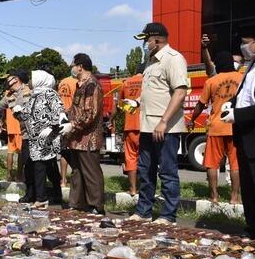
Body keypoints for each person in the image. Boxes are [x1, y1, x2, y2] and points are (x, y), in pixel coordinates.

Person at [129, 23, 188, 224]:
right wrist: (135, 102)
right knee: (146, 171)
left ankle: (167, 215)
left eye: (147, 40)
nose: (145, 44)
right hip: (147, 126)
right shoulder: (150, 62)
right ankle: (143, 211)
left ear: (156, 39)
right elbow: (153, 92)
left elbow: (180, 92)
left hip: (166, 128)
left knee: (167, 172)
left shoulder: (174, 59)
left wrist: (163, 122)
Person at [221, 21, 255, 239]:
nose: (242, 48)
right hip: (245, 135)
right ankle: (254, 227)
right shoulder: (249, 66)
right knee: (249, 186)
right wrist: (231, 103)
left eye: (246, 43)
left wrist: (238, 115)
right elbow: (245, 94)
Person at [188, 51, 242, 204]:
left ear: (218, 64)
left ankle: (214, 197)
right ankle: (234, 198)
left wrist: (192, 120)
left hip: (216, 127)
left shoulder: (211, 81)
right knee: (235, 164)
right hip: (235, 126)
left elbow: (200, 105)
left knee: (212, 163)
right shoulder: (241, 78)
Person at [13, 70, 65, 207]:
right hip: (35, 139)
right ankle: (49, 196)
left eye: (32, 78)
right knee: (47, 167)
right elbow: (26, 115)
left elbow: (58, 112)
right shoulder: (34, 96)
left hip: (48, 137)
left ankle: (43, 197)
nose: (29, 81)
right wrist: (17, 112)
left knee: (42, 166)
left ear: (40, 80)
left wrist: (52, 127)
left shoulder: (50, 94)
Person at [65, 53, 105, 214]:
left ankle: (96, 205)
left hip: (88, 138)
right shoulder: (80, 85)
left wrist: (73, 125)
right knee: (77, 172)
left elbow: (91, 114)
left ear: (80, 66)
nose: (72, 68)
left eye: (73, 65)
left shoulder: (92, 85)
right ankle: (77, 204)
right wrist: (66, 118)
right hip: (76, 137)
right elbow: (77, 109)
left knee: (91, 172)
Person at [109, 63, 145, 197]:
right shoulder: (147, 81)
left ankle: (133, 189)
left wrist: (111, 120)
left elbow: (119, 106)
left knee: (131, 158)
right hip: (145, 127)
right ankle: (145, 188)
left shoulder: (126, 83)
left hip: (130, 127)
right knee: (145, 158)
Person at [57, 75, 77, 187]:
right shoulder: (77, 83)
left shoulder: (62, 82)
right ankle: (76, 177)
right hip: (71, 117)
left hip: (61, 116)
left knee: (63, 150)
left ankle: (63, 180)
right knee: (73, 148)